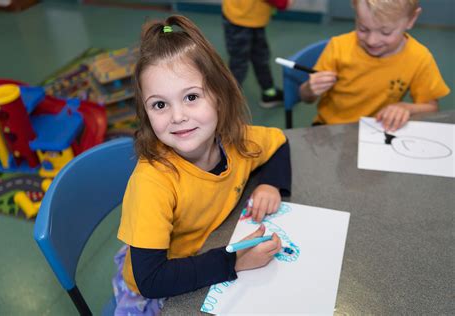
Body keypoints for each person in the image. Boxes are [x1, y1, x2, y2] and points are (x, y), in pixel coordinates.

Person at [114, 15, 291, 315]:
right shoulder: (151, 184)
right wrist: (234, 261)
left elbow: (278, 141)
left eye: (191, 97)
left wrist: (269, 182)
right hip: (158, 289)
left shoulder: (236, 141)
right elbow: (152, 280)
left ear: (220, 97)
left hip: (204, 251)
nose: (178, 116)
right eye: (160, 104)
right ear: (145, 112)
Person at [299, 0, 450, 131]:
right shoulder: (338, 47)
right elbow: (306, 98)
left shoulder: (419, 57)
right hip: (329, 127)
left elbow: (432, 108)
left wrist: (406, 108)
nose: (372, 41)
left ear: (412, 19)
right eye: (363, 28)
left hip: (380, 129)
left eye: (386, 32)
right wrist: (309, 89)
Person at [222, 0, 294, 108]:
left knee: (260, 57)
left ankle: (269, 92)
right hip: (241, 20)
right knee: (239, 63)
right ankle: (226, 102)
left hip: (250, 17)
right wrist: (284, 3)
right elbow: (282, 3)